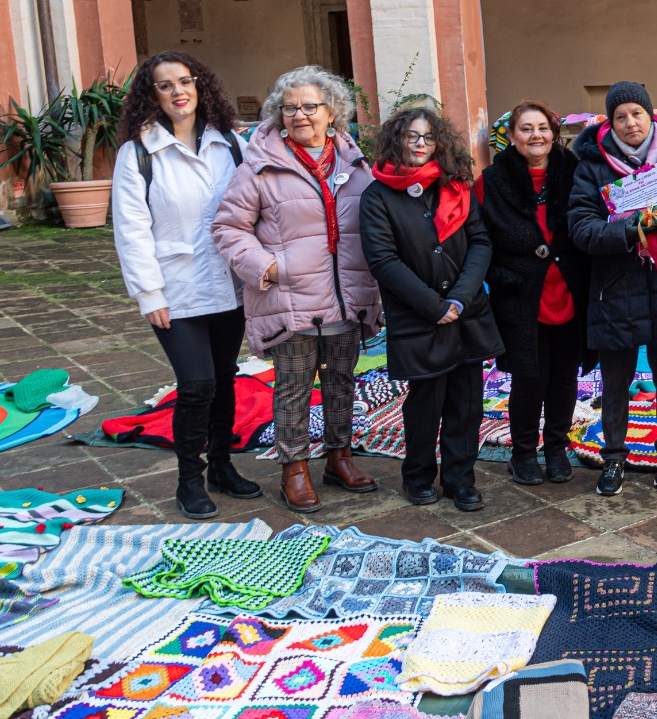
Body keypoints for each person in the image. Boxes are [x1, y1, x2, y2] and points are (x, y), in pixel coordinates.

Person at [213, 66, 382, 513]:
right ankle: (295, 469)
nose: (300, 115)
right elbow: (229, 227)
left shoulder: (354, 161)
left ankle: (338, 458)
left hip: (348, 294)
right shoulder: (260, 165)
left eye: (310, 106)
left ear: (332, 112)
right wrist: (266, 267)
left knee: (342, 381)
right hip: (289, 297)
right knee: (293, 387)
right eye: (290, 108)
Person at [111, 51, 260, 519]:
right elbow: (131, 229)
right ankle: (188, 480)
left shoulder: (231, 144)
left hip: (229, 284)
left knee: (224, 378)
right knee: (195, 384)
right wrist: (148, 293)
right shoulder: (138, 153)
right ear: (150, 95)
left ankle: (221, 466)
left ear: (200, 86)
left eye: (185, 81)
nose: (178, 91)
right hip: (175, 290)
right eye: (164, 85)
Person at [360, 107, 502, 512]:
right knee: (425, 403)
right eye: (412, 136)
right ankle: (418, 476)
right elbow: (383, 261)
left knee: (466, 403)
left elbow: (480, 242)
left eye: (428, 138)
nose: (421, 145)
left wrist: (459, 297)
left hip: (467, 312)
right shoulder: (377, 196)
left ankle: (461, 479)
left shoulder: (455, 186)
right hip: (419, 317)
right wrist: (434, 306)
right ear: (396, 140)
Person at [570, 81, 657, 497]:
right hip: (615, 288)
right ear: (610, 121)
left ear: (651, 115)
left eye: (636, 114)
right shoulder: (592, 166)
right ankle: (613, 458)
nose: (630, 123)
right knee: (616, 382)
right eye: (620, 116)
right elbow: (581, 228)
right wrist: (632, 228)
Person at [479, 101, 593, 487]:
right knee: (529, 377)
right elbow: (479, 241)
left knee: (564, 376)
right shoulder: (491, 181)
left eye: (542, 127)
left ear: (553, 132)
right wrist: (502, 275)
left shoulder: (575, 171)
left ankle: (557, 448)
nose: (535, 136)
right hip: (521, 295)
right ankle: (523, 453)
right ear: (511, 137)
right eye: (526, 129)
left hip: (570, 290)